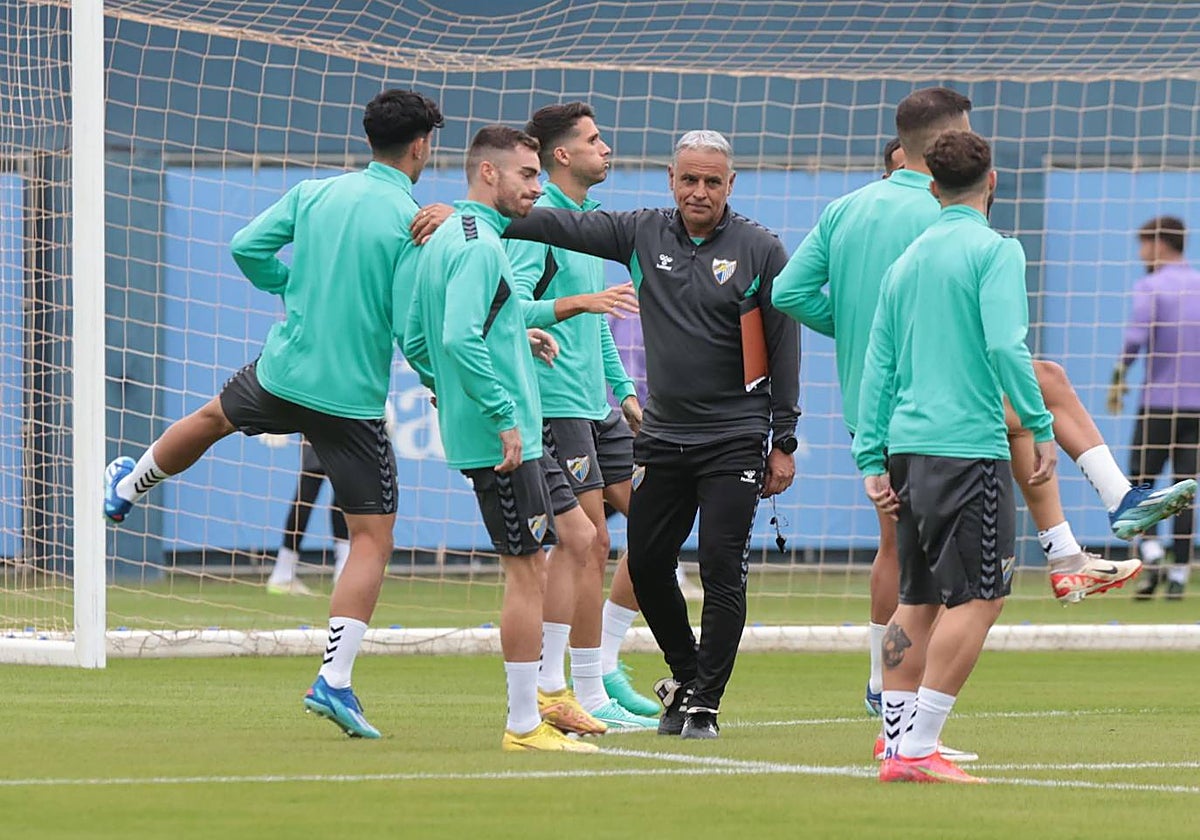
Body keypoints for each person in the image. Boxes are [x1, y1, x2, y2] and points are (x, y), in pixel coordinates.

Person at [772, 87, 1184, 725]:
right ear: (948, 147)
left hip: (874, 406)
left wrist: (855, 329)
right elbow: (996, 340)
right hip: (942, 406)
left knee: (902, 559)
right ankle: (1089, 528)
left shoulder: (844, 210)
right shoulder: (947, 217)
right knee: (1039, 386)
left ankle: (887, 694)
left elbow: (789, 292)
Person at [101, 89, 448, 739]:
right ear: (422, 145)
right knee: (371, 539)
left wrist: (286, 286)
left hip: (285, 370)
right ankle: (334, 682)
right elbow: (413, 327)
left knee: (210, 418)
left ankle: (124, 488)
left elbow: (246, 247)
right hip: (348, 399)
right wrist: (436, 383)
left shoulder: (317, 193)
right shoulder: (413, 220)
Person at [504, 129, 801, 740]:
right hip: (663, 436)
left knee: (722, 570)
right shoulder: (641, 231)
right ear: (671, 179)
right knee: (647, 561)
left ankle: (705, 705)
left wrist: (783, 440)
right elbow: (551, 226)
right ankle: (687, 675)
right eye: (688, 179)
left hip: (736, 438)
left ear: (731, 185)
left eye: (712, 181)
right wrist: (471, 214)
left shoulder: (760, 248)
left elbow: (783, 348)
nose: (699, 191)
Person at [854, 129, 1049, 784]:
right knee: (983, 596)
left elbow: (877, 368)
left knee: (918, 596)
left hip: (908, 449)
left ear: (931, 187)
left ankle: (894, 745)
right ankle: (919, 750)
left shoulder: (905, 263)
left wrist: (871, 457)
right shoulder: (996, 252)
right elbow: (1005, 347)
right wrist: (1041, 425)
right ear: (991, 181)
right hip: (968, 450)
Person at [402, 125, 602, 753]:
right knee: (526, 573)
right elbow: (458, 338)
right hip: (505, 437)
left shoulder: (446, 239)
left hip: (506, 430)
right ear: (488, 174)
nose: (536, 188)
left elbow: (418, 339)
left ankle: (550, 693)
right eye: (527, 175)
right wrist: (497, 411)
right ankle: (524, 723)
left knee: (576, 539)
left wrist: (517, 336)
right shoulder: (481, 246)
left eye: (539, 175)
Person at [504, 102, 658, 728]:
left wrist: (622, 392)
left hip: (599, 407)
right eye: (594, 140)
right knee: (586, 544)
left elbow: (598, 325)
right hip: (556, 404)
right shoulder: (538, 225)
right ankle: (578, 687)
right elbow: (504, 303)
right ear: (561, 155)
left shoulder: (592, 223)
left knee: (655, 527)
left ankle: (603, 669)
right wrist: (575, 302)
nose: (607, 148)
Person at [1110, 216, 1200, 599]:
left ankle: (1150, 556)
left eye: (1144, 244)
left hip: (1159, 405)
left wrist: (1119, 374)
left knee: (1139, 484)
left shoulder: (1150, 286)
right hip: (1197, 406)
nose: (1141, 252)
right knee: (1184, 487)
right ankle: (1179, 574)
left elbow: (1136, 336)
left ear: (1160, 244)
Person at [265, 438, 349, 595]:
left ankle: (283, 572)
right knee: (319, 490)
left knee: (329, 491)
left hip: (321, 422)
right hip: (335, 421)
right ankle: (283, 573)